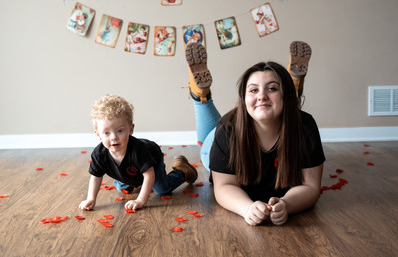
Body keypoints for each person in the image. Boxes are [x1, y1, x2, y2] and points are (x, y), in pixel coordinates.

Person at [184, 41, 325, 226]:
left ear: (284, 95)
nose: (261, 95)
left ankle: (201, 95)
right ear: (243, 98)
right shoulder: (227, 129)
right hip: (217, 142)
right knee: (207, 140)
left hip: (269, 117)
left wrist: (287, 204)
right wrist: (247, 209)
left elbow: (310, 186)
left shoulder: (304, 126)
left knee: (280, 109)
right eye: (253, 90)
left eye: (272, 88)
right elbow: (224, 185)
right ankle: (200, 95)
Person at [79, 94, 198, 211]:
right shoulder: (99, 154)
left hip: (152, 160)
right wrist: (91, 199)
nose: (114, 137)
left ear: (130, 129)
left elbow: (149, 174)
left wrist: (140, 200)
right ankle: (139, 182)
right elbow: (96, 177)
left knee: (162, 188)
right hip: (129, 170)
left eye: (120, 131)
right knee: (122, 187)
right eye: (106, 133)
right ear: (98, 134)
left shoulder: (139, 151)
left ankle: (182, 171)